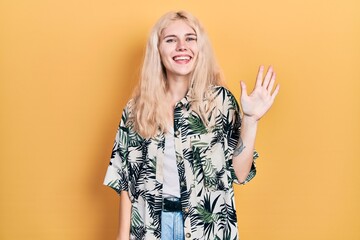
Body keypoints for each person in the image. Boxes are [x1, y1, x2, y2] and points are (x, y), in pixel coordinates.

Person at [103, 10, 279, 240]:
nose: (181, 46)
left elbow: (240, 173)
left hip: (206, 227)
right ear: (158, 49)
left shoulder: (220, 102)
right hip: (152, 226)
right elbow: (126, 180)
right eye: (170, 40)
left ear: (200, 48)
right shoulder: (137, 109)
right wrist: (122, 236)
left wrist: (251, 120)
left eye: (190, 38)